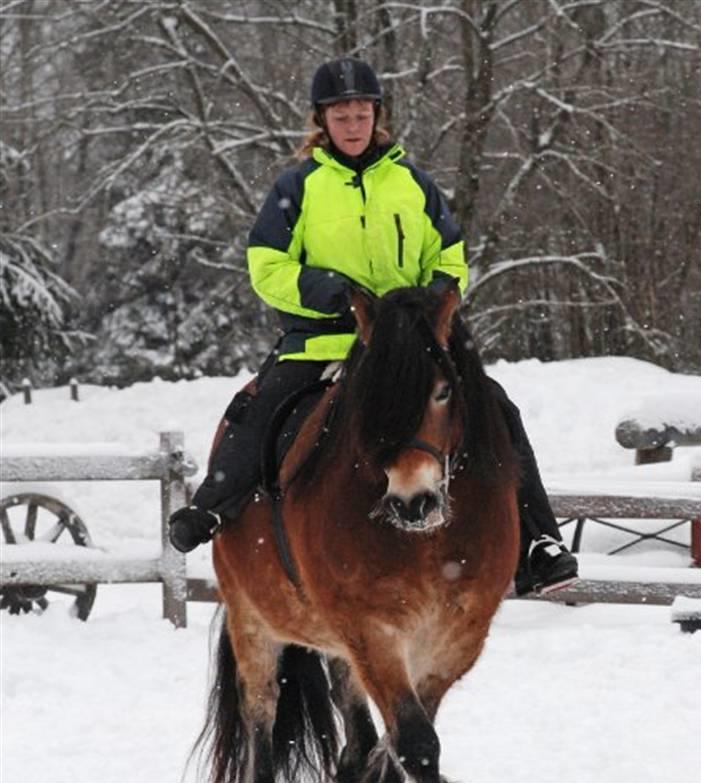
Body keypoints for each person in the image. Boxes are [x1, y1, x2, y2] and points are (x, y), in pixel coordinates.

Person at [168, 57, 578, 596]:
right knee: (262, 405)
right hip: (326, 340)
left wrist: (431, 299)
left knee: (497, 408)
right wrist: (331, 293)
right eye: (341, 116)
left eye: (362, 114)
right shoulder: (298, 186)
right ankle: (212, 508)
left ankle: (539, 542)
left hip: (412, 347)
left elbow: (450, 257)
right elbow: (266, 266)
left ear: (377, 115)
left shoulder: (413, 184)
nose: (353, 125)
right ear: (321, 120)